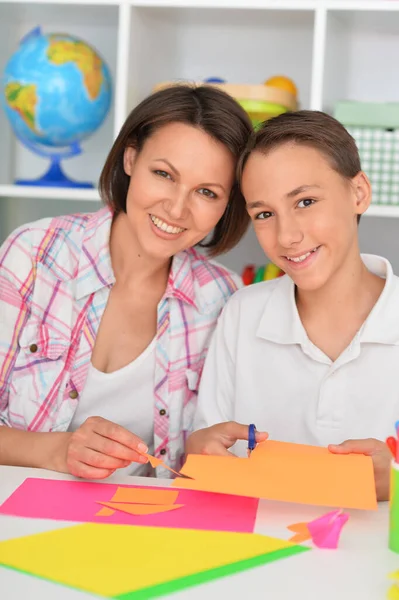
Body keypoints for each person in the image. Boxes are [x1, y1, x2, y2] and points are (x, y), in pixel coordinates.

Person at [0, 84, 252, 480]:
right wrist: (58, 450)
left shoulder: (224, 299)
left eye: (206, 191)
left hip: (144, 530)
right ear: (131, 158)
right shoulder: (33, 255)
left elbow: (209, 460)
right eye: (164, 174)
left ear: (228, 204)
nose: (176, 207)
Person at [187, 110, 399, 501]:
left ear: (359, 193)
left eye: (305, 201)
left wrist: (397, 480)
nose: (287, 236)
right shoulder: (242, 315)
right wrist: (201, 453)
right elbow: (210, 457)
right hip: (261, 553)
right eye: (264, 214)